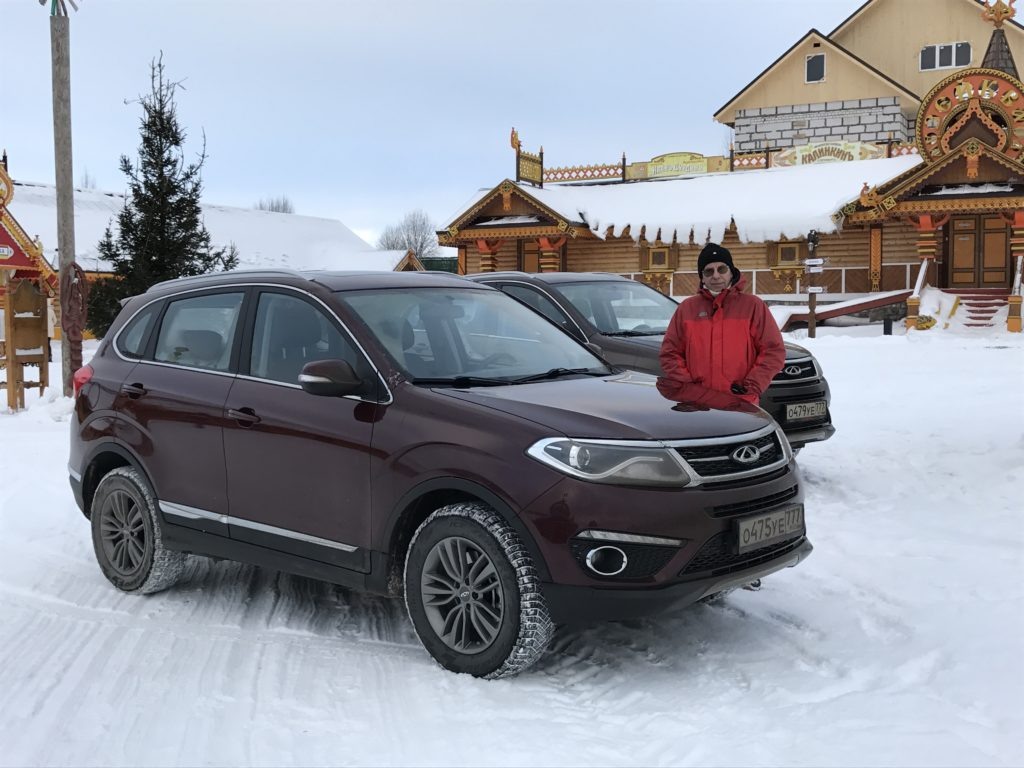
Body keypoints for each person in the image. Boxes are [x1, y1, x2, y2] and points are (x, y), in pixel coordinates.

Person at [659, 242, 785, 404]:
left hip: (740, 402)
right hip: (697, 403)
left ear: (731, 272)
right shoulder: (687, 308)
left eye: (722, 269)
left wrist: (751, 386)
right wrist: (689, 386)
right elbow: (670, 353)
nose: (716, 275)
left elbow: (773, 350)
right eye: (709, 271)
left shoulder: (753, 306)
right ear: (702, 277)